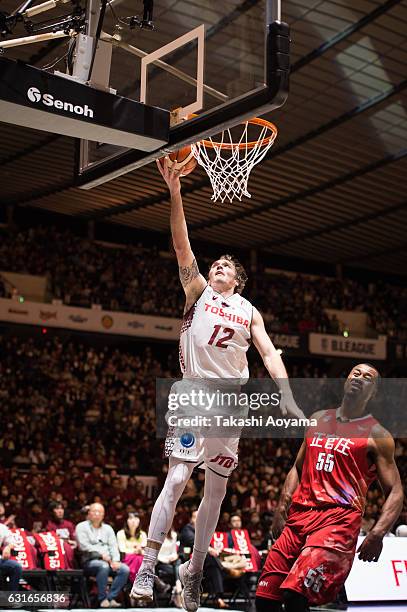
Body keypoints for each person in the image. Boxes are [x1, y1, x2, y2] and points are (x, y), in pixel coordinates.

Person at [131, 159, 304, 611]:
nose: (218, 266)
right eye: (217, 263)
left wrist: (286, 395)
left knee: (217, 491)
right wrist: (175, 192)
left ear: (239, 280)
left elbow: (268, 354)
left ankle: (193, 570)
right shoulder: (198, 292)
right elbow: (181, 243)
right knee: (177, 477)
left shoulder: (249, 311)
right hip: (193, 394)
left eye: (226, 265)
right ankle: (148, 564)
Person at [255, 363, 404, 612]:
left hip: (337, 521)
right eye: (356, 373)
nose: (360, 378)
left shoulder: (377, 434)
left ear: (374, 392)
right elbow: (297, 467)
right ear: (346, 380)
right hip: (299, 517)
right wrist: (282, 505)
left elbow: (396, 491)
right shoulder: (317, 418)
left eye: (368, 377)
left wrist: (377, 533)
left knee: (295, 597)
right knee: (264, 599)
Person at [76, 503, 130, 608]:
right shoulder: (81, 526)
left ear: (103, 515)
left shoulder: (108, 528)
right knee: (103, 566)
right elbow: (84, 546)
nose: (97, 514)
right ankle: (102, 599)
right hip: (90, 561)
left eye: (100, 512)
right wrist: (101, 555)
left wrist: (116, 560)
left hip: (109, 561)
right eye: (94, 511)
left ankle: (110, 597)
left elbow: (113, 546)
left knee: (124, 569)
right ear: (89, 513)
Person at [116, 512, 147, 583]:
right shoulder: (121, 533)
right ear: (126, 521)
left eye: (136, 518)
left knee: (142, 559)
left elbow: (145, 550)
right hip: (126, 558)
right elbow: (122, 549)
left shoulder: (143, 534)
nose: (133, 521)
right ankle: (140, 583)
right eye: (130, 518)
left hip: (140, 558)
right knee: (139, 559)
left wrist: (140, 551)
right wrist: (135, 551)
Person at [45, 501, 76, 569]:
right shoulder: (49, 526)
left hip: (70, 548)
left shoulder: (69, 524)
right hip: (57, 550)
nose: (60, 511)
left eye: (61, 508)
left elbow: (74, 540)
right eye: (57, 509)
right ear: (52, 512)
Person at [0, 521, 22, 591]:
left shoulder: (2, 527)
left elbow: (12, 541)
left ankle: (12, 597)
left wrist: (8, 547)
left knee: (16, 567)